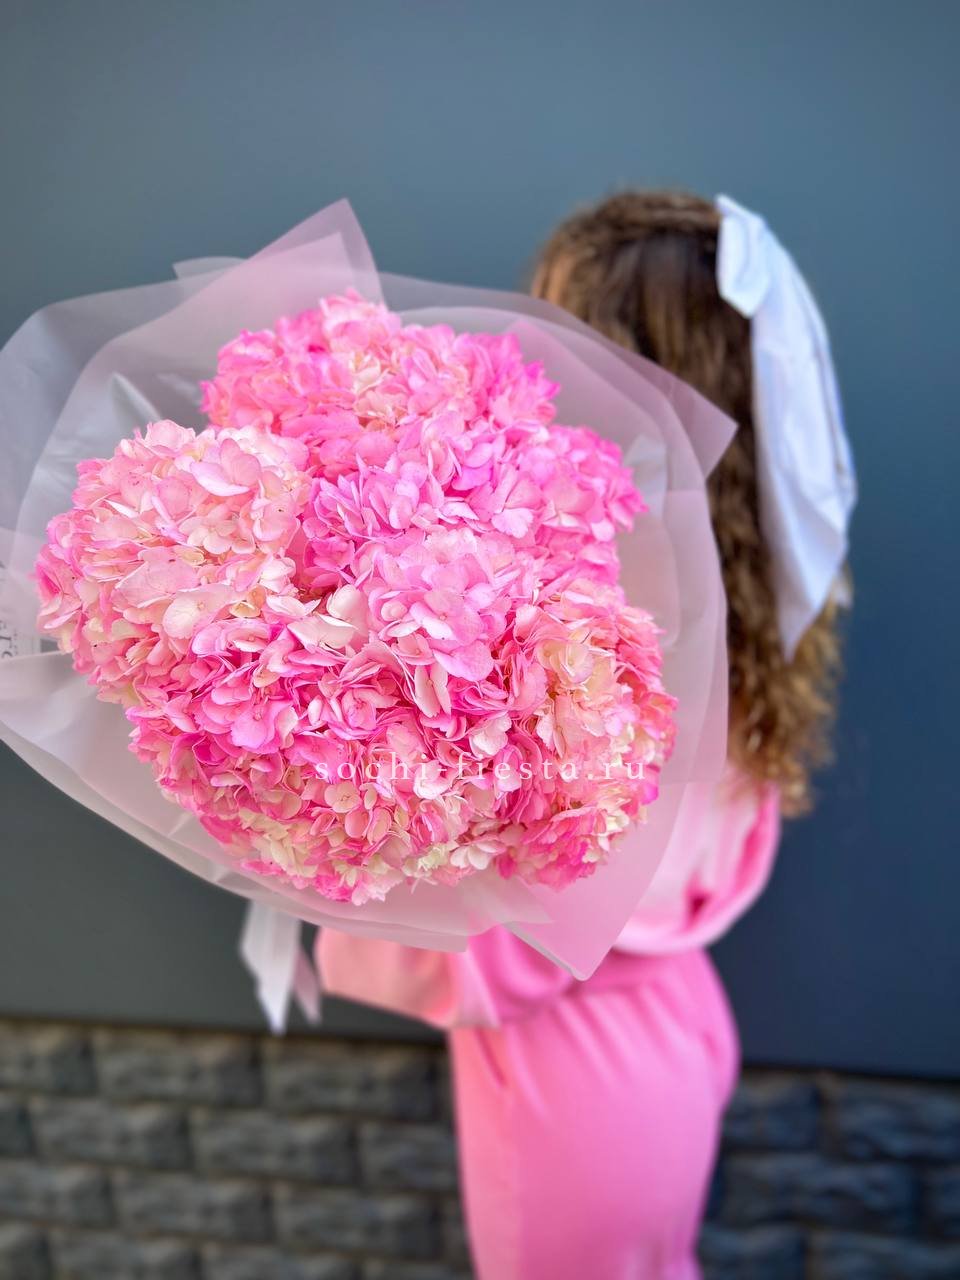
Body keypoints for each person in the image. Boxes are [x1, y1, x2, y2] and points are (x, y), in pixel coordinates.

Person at [316, 190, 855, 1280]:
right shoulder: (729, 596)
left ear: (625, 363)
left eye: (552, 323)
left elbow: (525, 936)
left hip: (574, 1070)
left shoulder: (596, 614)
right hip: (675, 1021)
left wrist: (329, 829)